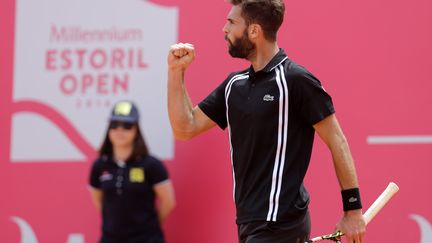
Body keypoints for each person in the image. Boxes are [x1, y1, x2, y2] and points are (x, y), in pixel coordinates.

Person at [167, 0, 366, 243]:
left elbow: (338, 142)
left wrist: (353, 210)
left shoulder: (296, 80)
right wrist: (176, 73)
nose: (224, 29)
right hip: (249, 222)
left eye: (231, 22)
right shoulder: (234, 85)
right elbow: (185, 127)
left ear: (254, 31)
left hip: (282, 222)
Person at [89, 100, 175, 243]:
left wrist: (148, 228)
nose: (120, 130)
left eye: (127, 125)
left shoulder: (151, 165)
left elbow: (168, 202)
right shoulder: (100, 166)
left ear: (136, 130)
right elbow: (99, 201)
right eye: (114, 124)